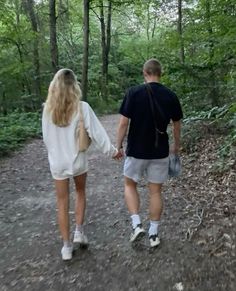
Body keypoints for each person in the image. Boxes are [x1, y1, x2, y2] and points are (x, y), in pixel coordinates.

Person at [42, 68, 119, 260]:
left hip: (57, 163)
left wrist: (54, 154)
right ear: (74, 85)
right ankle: (79, 231)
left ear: (55, 85)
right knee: (80, 192)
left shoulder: (47, 110)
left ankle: (66, 247)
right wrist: (113, 151)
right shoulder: (82, 107)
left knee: (61, 202)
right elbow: (98, 133)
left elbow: (46, 138)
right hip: (78, 161)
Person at [116, 58, 183, 247]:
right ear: (160, 73)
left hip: (136, 150)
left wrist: (118, 145)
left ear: (145, 73)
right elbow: (177, 125)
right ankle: (154, 234)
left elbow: (123, 123)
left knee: (130, 185)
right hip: (159, 151)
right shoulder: (170, 95)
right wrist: (176, 146)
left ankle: (137, 224)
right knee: (155, 192)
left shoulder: (133, 93)